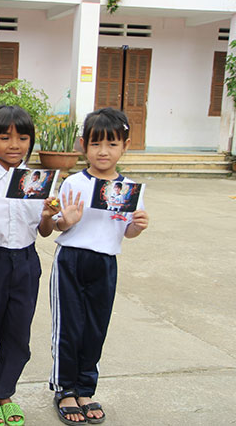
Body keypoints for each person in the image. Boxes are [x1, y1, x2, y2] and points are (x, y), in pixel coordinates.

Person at [48, 107, 149, 425]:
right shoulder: (73, 183)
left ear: (125, 145)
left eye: (112, 144)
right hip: (71, 261)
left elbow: (126, 231)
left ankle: (85, 389)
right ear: (83, 145)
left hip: (105, 264)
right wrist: (66, 220)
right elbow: (58, 225)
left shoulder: (130, 190)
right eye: (95, 144)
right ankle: (65, 389)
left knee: (95, 328)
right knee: (69, 328)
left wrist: (139, 226)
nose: (103, 152)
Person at [0, 105, 60, 426]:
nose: (14, 145)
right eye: (4, 137)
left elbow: (44, 231)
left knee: (18, 335)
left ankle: (5, 392)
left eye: (22, 137)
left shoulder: (38, 180)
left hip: (27, 262)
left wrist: (47, 215)